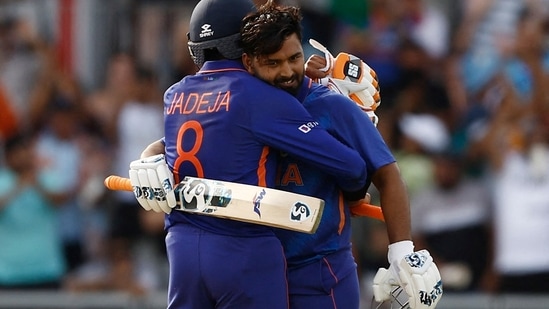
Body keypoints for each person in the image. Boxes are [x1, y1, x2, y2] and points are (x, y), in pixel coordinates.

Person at [128, 0, 371, 308]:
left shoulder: (175, 95)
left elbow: (215, 131)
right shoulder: (258, 95)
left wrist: (150, 151)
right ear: (248, 41)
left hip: (182, 247)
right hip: (243, 248)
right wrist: (347, 113)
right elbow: (352, 167)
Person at [239, 2, 442, 308]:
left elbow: (388, 174)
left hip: (320, 272)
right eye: (273, 63)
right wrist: (156, 155)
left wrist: (401, 252)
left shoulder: (331, 105)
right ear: (249, 62)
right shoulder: (241, 105)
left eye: (294, 58)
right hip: (255, 270)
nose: (286, 71)